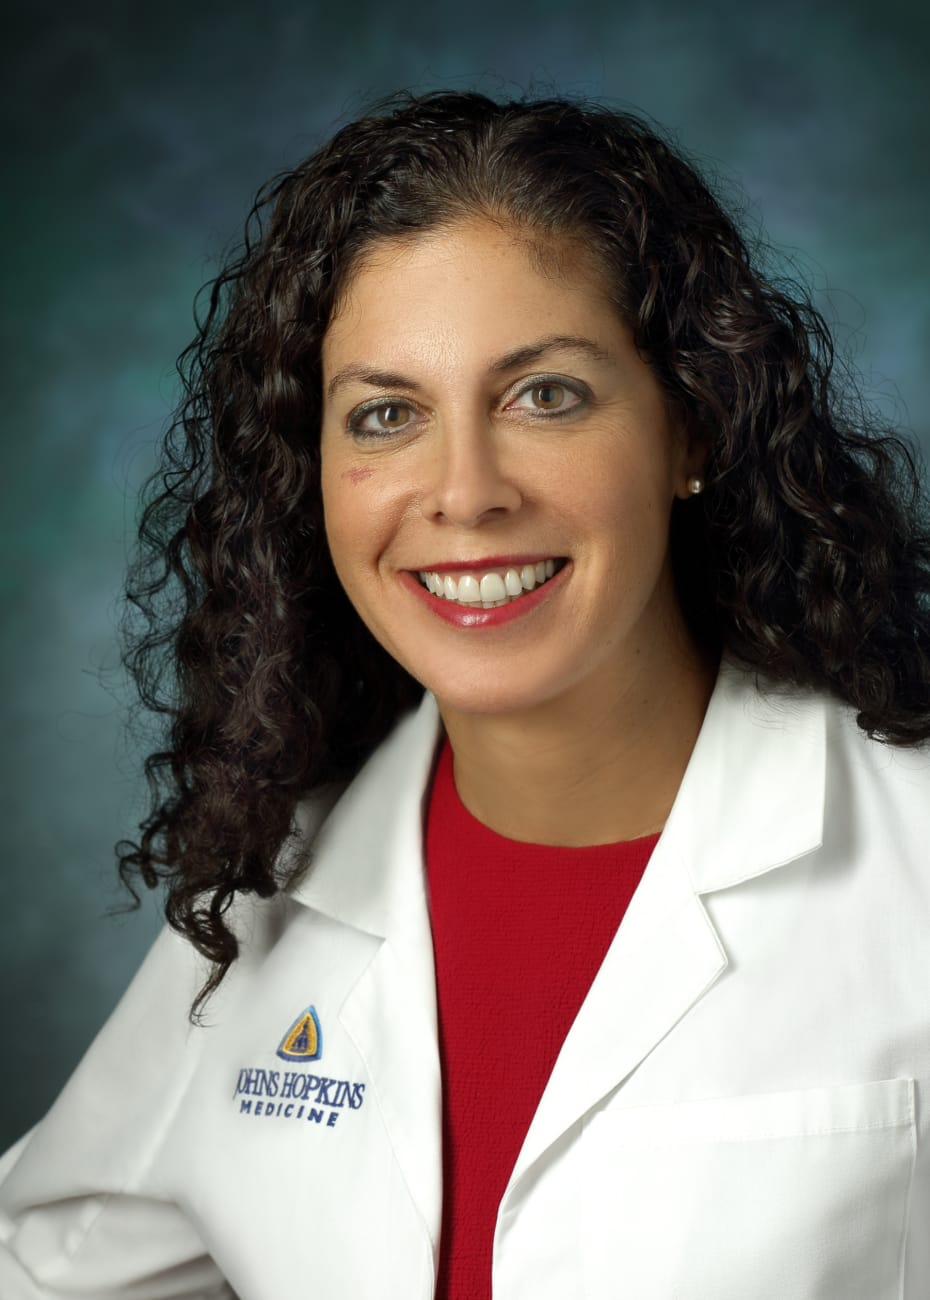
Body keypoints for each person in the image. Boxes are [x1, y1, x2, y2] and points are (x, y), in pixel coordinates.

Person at [1, 88, 928, 1300]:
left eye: (544, 395)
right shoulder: (267, 903)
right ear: (317, 475)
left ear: (692, 428)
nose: (464, 491)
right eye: (386, 415)